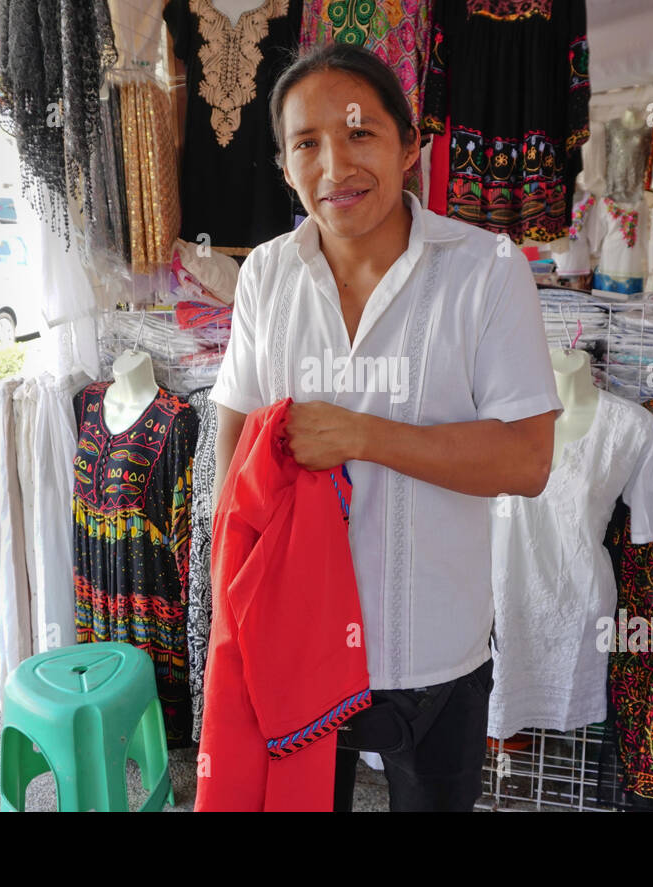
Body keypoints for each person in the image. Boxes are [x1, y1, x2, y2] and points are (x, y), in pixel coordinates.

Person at [207, 42, 562, 811]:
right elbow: (231, 436)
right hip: (292, 641)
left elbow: (530, 460)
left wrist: (363, 435)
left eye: (360, 133)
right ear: (284, 165)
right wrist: (225, 583)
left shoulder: (487, 271)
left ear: (410, 148)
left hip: (434, 648)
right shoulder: (266, 275)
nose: (336, 165)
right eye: (308, 143)